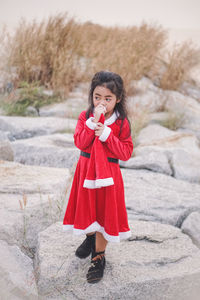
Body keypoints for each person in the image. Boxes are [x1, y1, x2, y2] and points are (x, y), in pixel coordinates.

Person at [63, 70, 133, 284]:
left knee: (103, 213)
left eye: (108, 98)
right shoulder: (85, 117)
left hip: (109, 176)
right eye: (97, 97)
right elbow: (80, 143)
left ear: (118, 99)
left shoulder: (121, 123)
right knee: (86, 208)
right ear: (91, 96)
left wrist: (106, 135)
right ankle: (90, 237)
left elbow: (126, 153)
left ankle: (99, 256)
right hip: (86, 170)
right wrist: (92, 124)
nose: (102, 102)